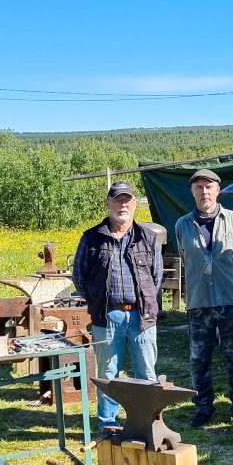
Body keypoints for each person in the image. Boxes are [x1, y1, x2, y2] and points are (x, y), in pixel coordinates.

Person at [73, 181, 163, 430]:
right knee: (108, 375)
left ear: (134, 204)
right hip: (107, 316)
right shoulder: (92, 238)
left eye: (127, 200)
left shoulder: (148, 237)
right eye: (117, 199)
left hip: (141, 316)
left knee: (146, 373)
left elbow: (156, 279)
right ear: (108, 203)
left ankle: (148, 422)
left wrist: (144, 305)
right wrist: (98, 302)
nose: (122, 205)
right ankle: (107, 424)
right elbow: (80, 277)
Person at [173, 169, 233, 428]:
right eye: (199, 187)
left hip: (231, 301)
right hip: (199, 302)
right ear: (192, 191)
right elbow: (186, 259)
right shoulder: (182, 225)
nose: (204, 192)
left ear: (218, 190)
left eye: (209, 187)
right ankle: (203, 407)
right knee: (199, 359)